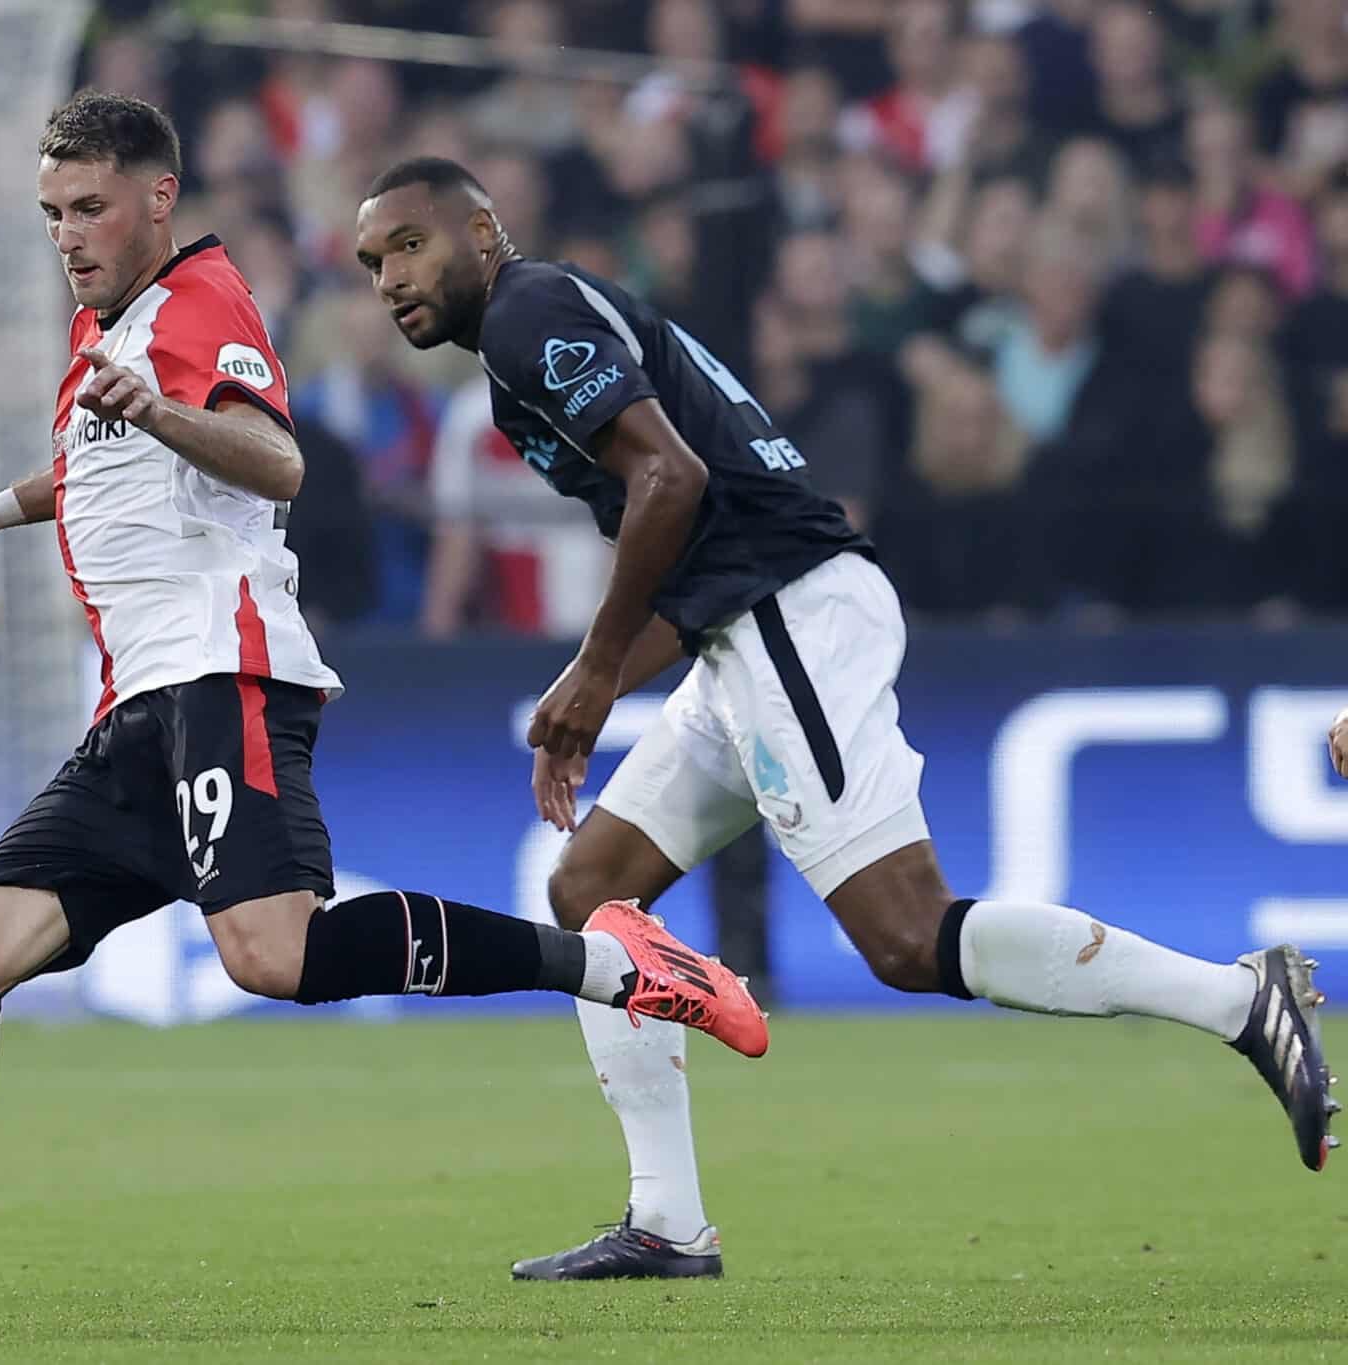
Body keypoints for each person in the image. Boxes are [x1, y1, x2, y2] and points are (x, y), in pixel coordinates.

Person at [0, 95, 765, 1331]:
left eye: (88, 207)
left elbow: (276, 460)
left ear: (157, 196)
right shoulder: (116, 327)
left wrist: (155, 408)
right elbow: (98, 468)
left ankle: (612, 965)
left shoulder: (200, 303)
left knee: (273, 956)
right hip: (134, 712)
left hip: (218, 673)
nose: (68, 235)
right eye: (51, 214)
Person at [351, 156, 1338, 1281]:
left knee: (905, 937)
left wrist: (589, 666)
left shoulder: (528, 312)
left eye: (410, 245)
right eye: (372, 262)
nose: (389, 278)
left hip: (786, 621)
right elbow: (691, 528)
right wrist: (602, 685)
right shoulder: (534, 335)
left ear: (482, 231)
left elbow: (670, 484)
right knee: (591, 892)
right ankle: (666, 1222)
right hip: (746, 632)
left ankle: (1237, 999)